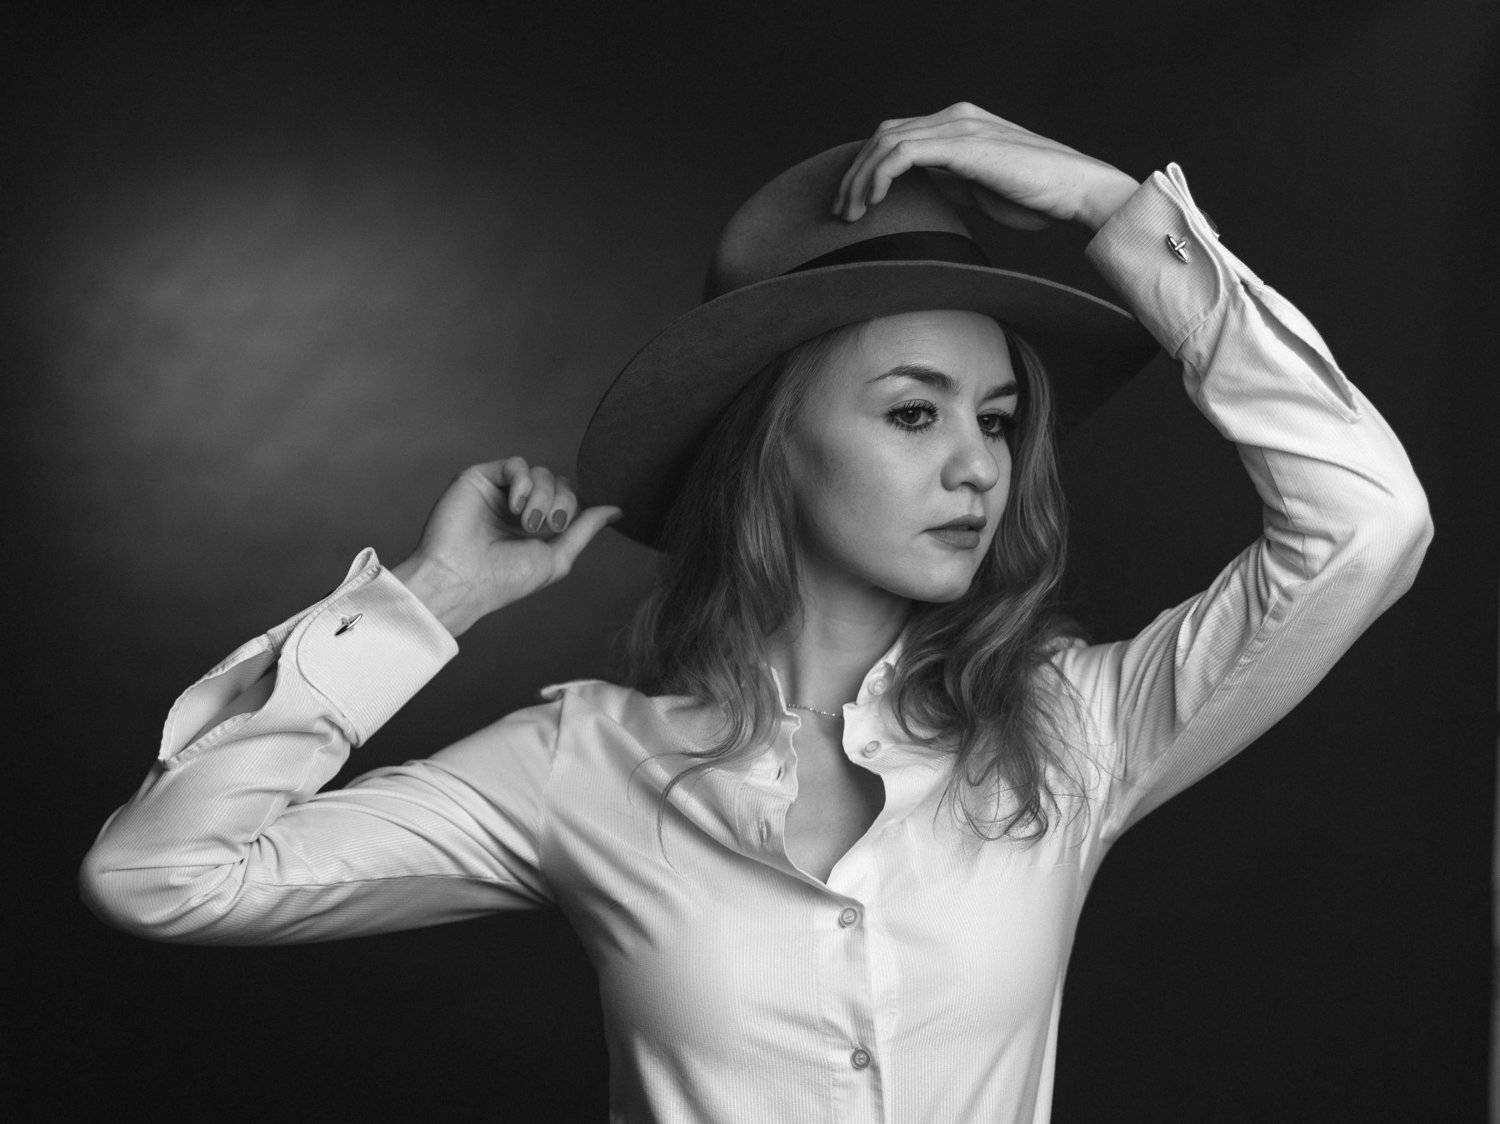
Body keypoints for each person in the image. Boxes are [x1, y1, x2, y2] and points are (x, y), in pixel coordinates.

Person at [79, 103, 1432, 1121]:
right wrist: (432, 603)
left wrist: (1111, 208)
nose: (982, 466)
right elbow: (163, 879)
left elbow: (1366, 525)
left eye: (998, 419)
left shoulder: (1075, 734)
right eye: (915, 413)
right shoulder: (582, 766)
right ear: (776, 447)